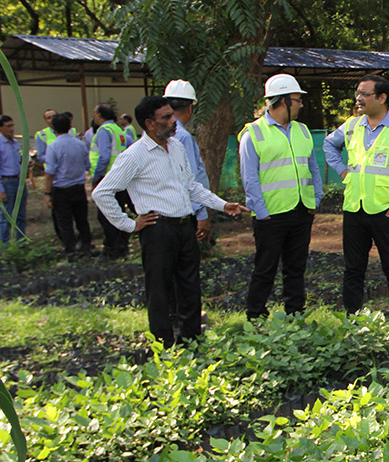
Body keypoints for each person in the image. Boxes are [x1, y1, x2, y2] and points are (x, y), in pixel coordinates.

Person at [93, 95, 248, 348]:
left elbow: (191, 186)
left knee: (190, 285)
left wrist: (221, 204)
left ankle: (191, 340)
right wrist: (130, 224)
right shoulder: (135, 155)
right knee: (159, 290)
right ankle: (163, 344)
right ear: (150, 123)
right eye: (166, 117)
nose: (173, 120)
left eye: (171, 115)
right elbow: (102, 192)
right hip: (158, 229)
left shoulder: (176, 147)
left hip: (184, 226)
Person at [324, 74, 389, 348]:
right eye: (357, 93)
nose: (358, 98)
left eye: (364, 94)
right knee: (352, 270)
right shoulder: (351, 126)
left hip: (387, 212)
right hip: (354, 209)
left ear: (382, 98)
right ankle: (353, 325)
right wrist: (343, 171)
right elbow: (328, 145)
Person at [238, 74, 323, 321]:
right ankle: (256, 316)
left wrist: (315, 199)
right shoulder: (253, 133)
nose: (301, 105)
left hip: (301, 210)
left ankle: (295, 314)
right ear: (283, 101)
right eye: (297, 100)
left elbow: (313, 167)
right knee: (265, 269)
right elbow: (249, 178)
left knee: (296, 268)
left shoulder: (302, 131)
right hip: (270, 215)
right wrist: (261, 212)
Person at [164, 79, 212, 242]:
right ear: (190, 107)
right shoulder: (183, 136)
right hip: (184, 213)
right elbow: (190, 179)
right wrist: (202, 214)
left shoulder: (152, 133)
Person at [43, 112, 92, 254]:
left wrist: (47, 193)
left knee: (65, 222)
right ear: (70, 126)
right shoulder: (80, 144)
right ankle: (86, 246)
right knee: (82, 219)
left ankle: (71, 251)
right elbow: (87, 165)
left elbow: (50, 172)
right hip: (78, 187)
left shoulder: (53, 147)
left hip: (61, 188)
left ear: (53, 128)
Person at [91, 103, 134, 258]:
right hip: (121, 177)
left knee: (106, 215)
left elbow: (103, 156)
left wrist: (97, 176)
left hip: (108, 177)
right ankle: (122, 245)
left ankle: (112, 248)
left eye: (95, 113)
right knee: (119, 211)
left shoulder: (104, 131)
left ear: (99, 115)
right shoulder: (118, 130)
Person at [0, 115, 26, 244]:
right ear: (1, 128)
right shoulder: (0, 144)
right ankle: (3, 244)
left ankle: (21, 242)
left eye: (12, 125)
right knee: (6, 216)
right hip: (6, 182)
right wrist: (0, 190)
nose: (11, 129)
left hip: (18, 181)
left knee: (20, 214)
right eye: (8, 126)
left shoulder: (14, 143)